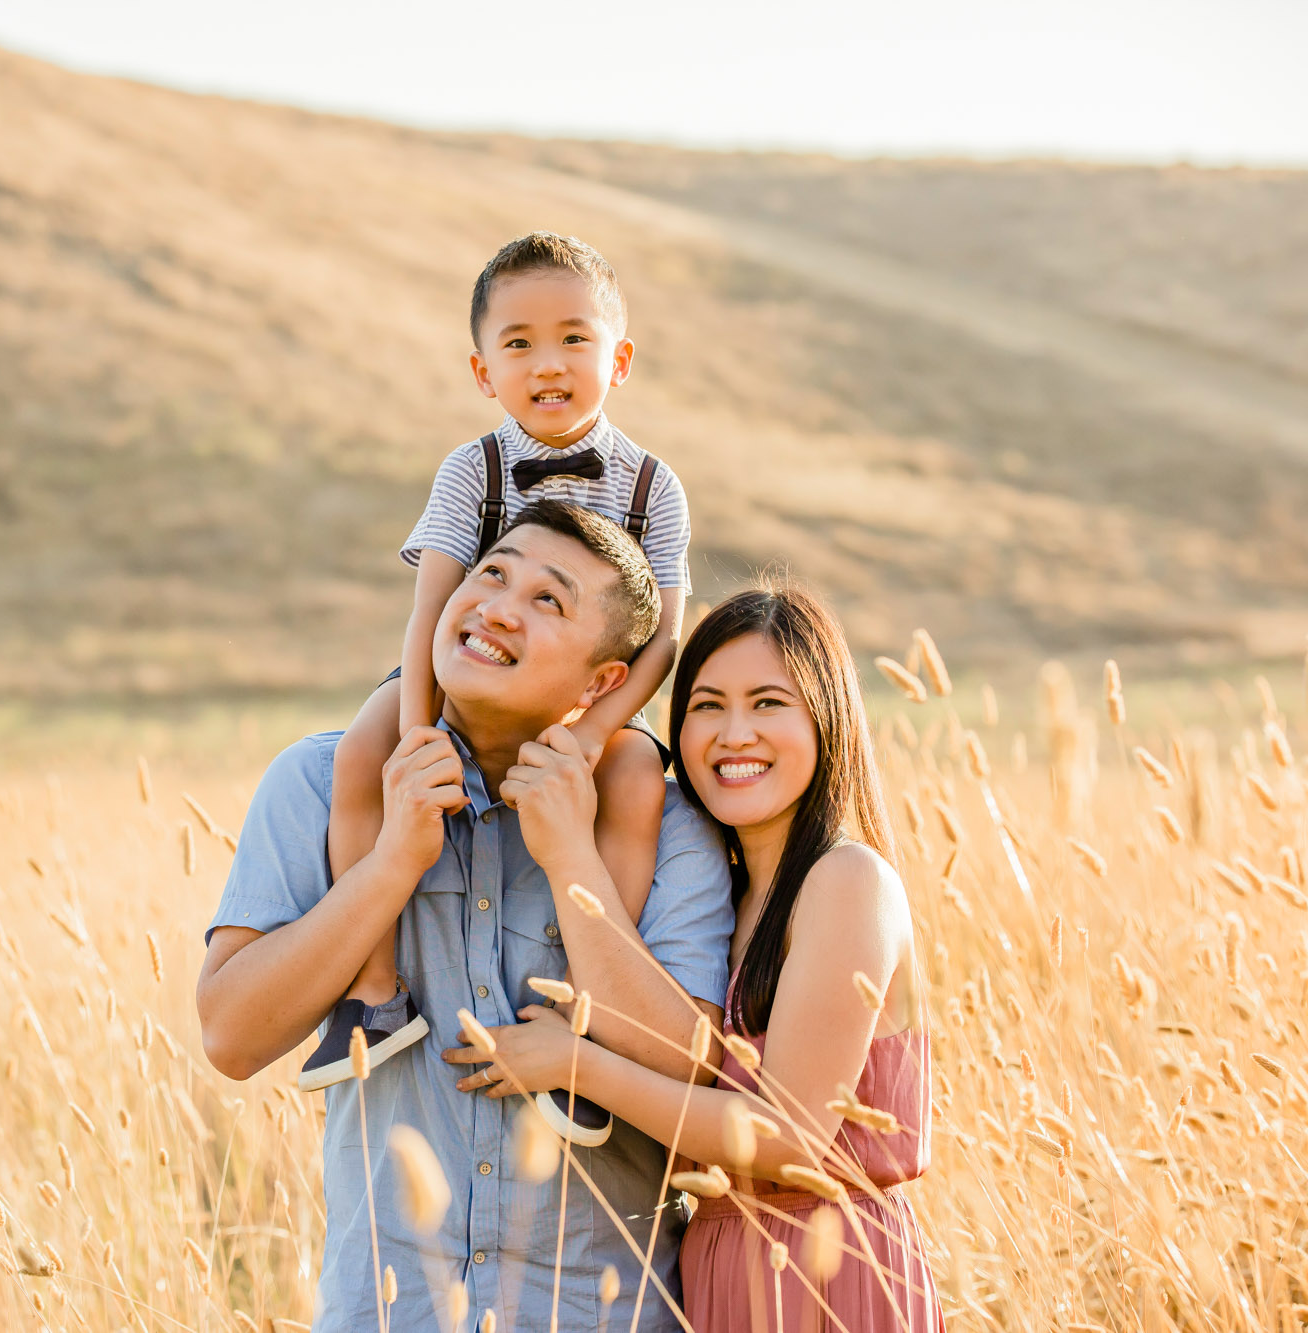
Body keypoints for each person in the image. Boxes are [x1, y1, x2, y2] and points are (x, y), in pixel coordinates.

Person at [196, 501, 731, 1333]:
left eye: (548, 600)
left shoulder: (664, 822)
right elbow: (230, 1035)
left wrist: (572, 861)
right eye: (491, 574)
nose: (498, 606)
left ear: (602, 683)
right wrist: (389, 864)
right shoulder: (320, 781)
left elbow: (690, 1061)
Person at [446, 586, 944, 1330]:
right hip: (721, 1264)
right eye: (707, 705)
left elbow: (788, 1135)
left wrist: (575, 1066)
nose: (733, 733)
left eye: (768, 703)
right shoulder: (730, 895)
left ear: (827, 719)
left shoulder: (846, 880)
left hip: (831, 1272)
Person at [310, 232, 691, 1151]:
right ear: (483, 372)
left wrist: (595, 734)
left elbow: (666, 636)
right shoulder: (470, 471)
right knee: (360, 751)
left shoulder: (652, 485)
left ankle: (582, 1016)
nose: (547, 362)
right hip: (456, 681)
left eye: (573, 338)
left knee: (638, 785)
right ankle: (370, 995)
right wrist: (415, 733)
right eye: (517, 343)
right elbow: (430, 613)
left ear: (619, 359)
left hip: (591, 703)